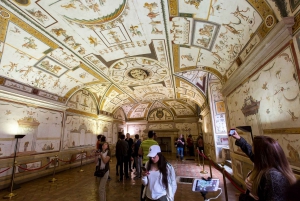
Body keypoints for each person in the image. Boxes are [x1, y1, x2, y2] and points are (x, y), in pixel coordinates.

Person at [230, 130, 296, 201]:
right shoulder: (268, 163)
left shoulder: (273, 176)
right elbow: (251, 154)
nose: (252, 151)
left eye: (254, 149)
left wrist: (244, 198)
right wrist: (239, 139)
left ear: (261, 155)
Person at [139, 130, 159, 201]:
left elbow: (140, 153)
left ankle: (142, 197)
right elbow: (158, 154)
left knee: (144, 179)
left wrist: (145, 153)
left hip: (144, 163)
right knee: (152, 180)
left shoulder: (143, 142)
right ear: (153, 136)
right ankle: (152, 195)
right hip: (152, 163)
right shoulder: (155, 143)